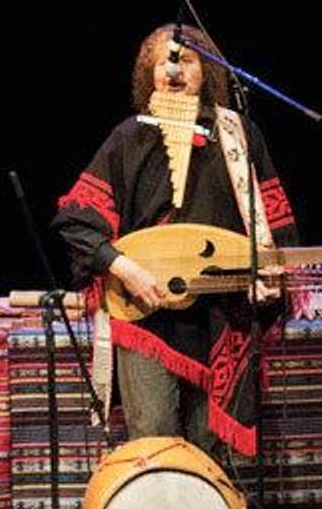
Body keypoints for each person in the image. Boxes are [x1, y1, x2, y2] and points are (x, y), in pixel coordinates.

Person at [53, 23, 301, 459]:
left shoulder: (238, 134)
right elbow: (76, 219)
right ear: (148, 74)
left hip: (219, 314)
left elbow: (274, 223)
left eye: (185, 60)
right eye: (163, 62)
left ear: (207, 72)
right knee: (155, 443)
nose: (173, 71)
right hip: (146, 314)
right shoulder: (128, 137)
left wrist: (271, 280)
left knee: (207, 453)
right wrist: (124, 267)